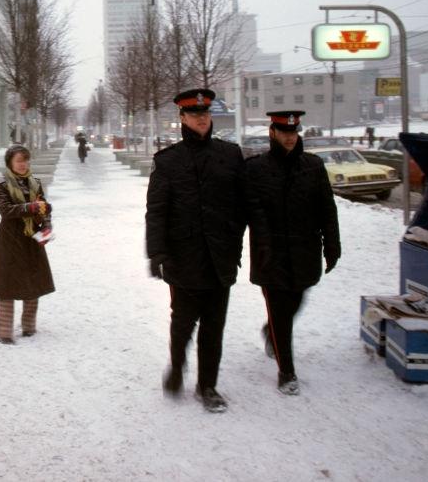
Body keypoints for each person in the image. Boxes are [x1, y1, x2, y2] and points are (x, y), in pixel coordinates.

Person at [145, 88, 245, 413]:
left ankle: (207, 386)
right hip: (183, 259)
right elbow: (156, 211)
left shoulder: (230, 155)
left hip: (220, 260)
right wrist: (157, 254)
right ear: (183, 118)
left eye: (205, 113)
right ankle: (177, 367)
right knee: (183, 323)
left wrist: (235, 244)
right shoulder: (167, 161)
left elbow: (241, 207)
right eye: (194, 114)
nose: (201, 119)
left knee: (214, 328)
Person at [245, 110, 341, 396]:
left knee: (296, 300)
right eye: (284, 132)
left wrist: (332, 245)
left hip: (304, 251)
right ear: (272, 133)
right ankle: (286, 371)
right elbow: (249, 211)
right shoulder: (256, 168)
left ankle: (271, 332)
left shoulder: (313, 165)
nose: (289, 137)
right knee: (280, 311)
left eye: (293, 132)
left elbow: (327, 209)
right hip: (270, 253)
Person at [0, 144, 55, 344]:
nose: (23, 164)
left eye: (25, 160)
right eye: (19, 160)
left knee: (32, 283)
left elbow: (44, 208)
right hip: (10, 240)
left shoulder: (35, 182)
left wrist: (47, 224)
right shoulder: (2, 184)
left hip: (31, 239)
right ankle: (4, 332)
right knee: (7, 286)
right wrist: (31, 207)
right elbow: (6, 210)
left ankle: (29, 327)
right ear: (10, 162)